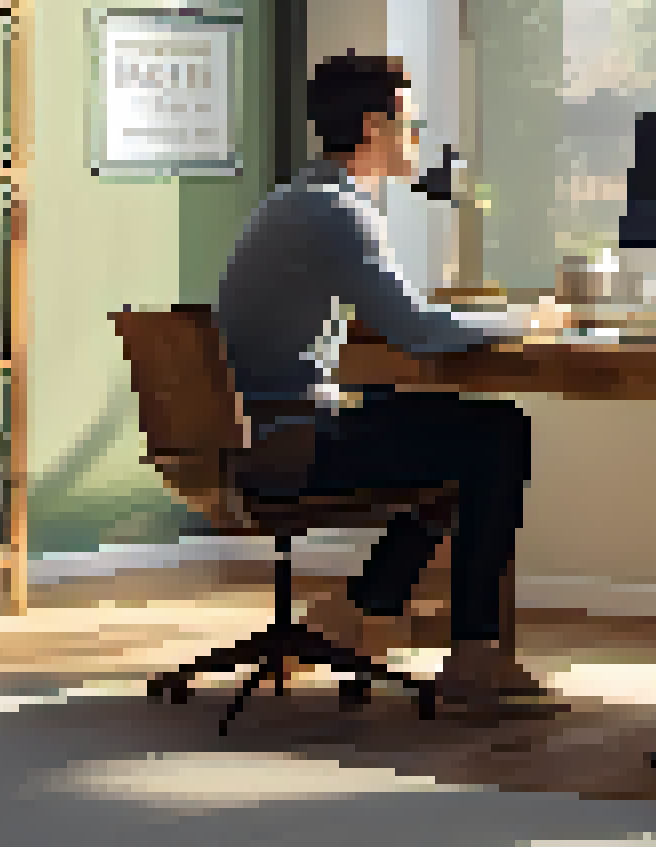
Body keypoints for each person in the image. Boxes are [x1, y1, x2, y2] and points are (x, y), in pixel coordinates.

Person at [214, 53, 570, 714]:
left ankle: (362, 609)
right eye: (414, 124)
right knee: (495, 433)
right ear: (374, 127)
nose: (419, 139)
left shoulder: (297, 202)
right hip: (291, 443)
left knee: (433, 424)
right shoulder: (336, 212)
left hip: (265, 431)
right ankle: (474, 653)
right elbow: (416, 330)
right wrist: (531, 320)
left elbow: (391, 320)